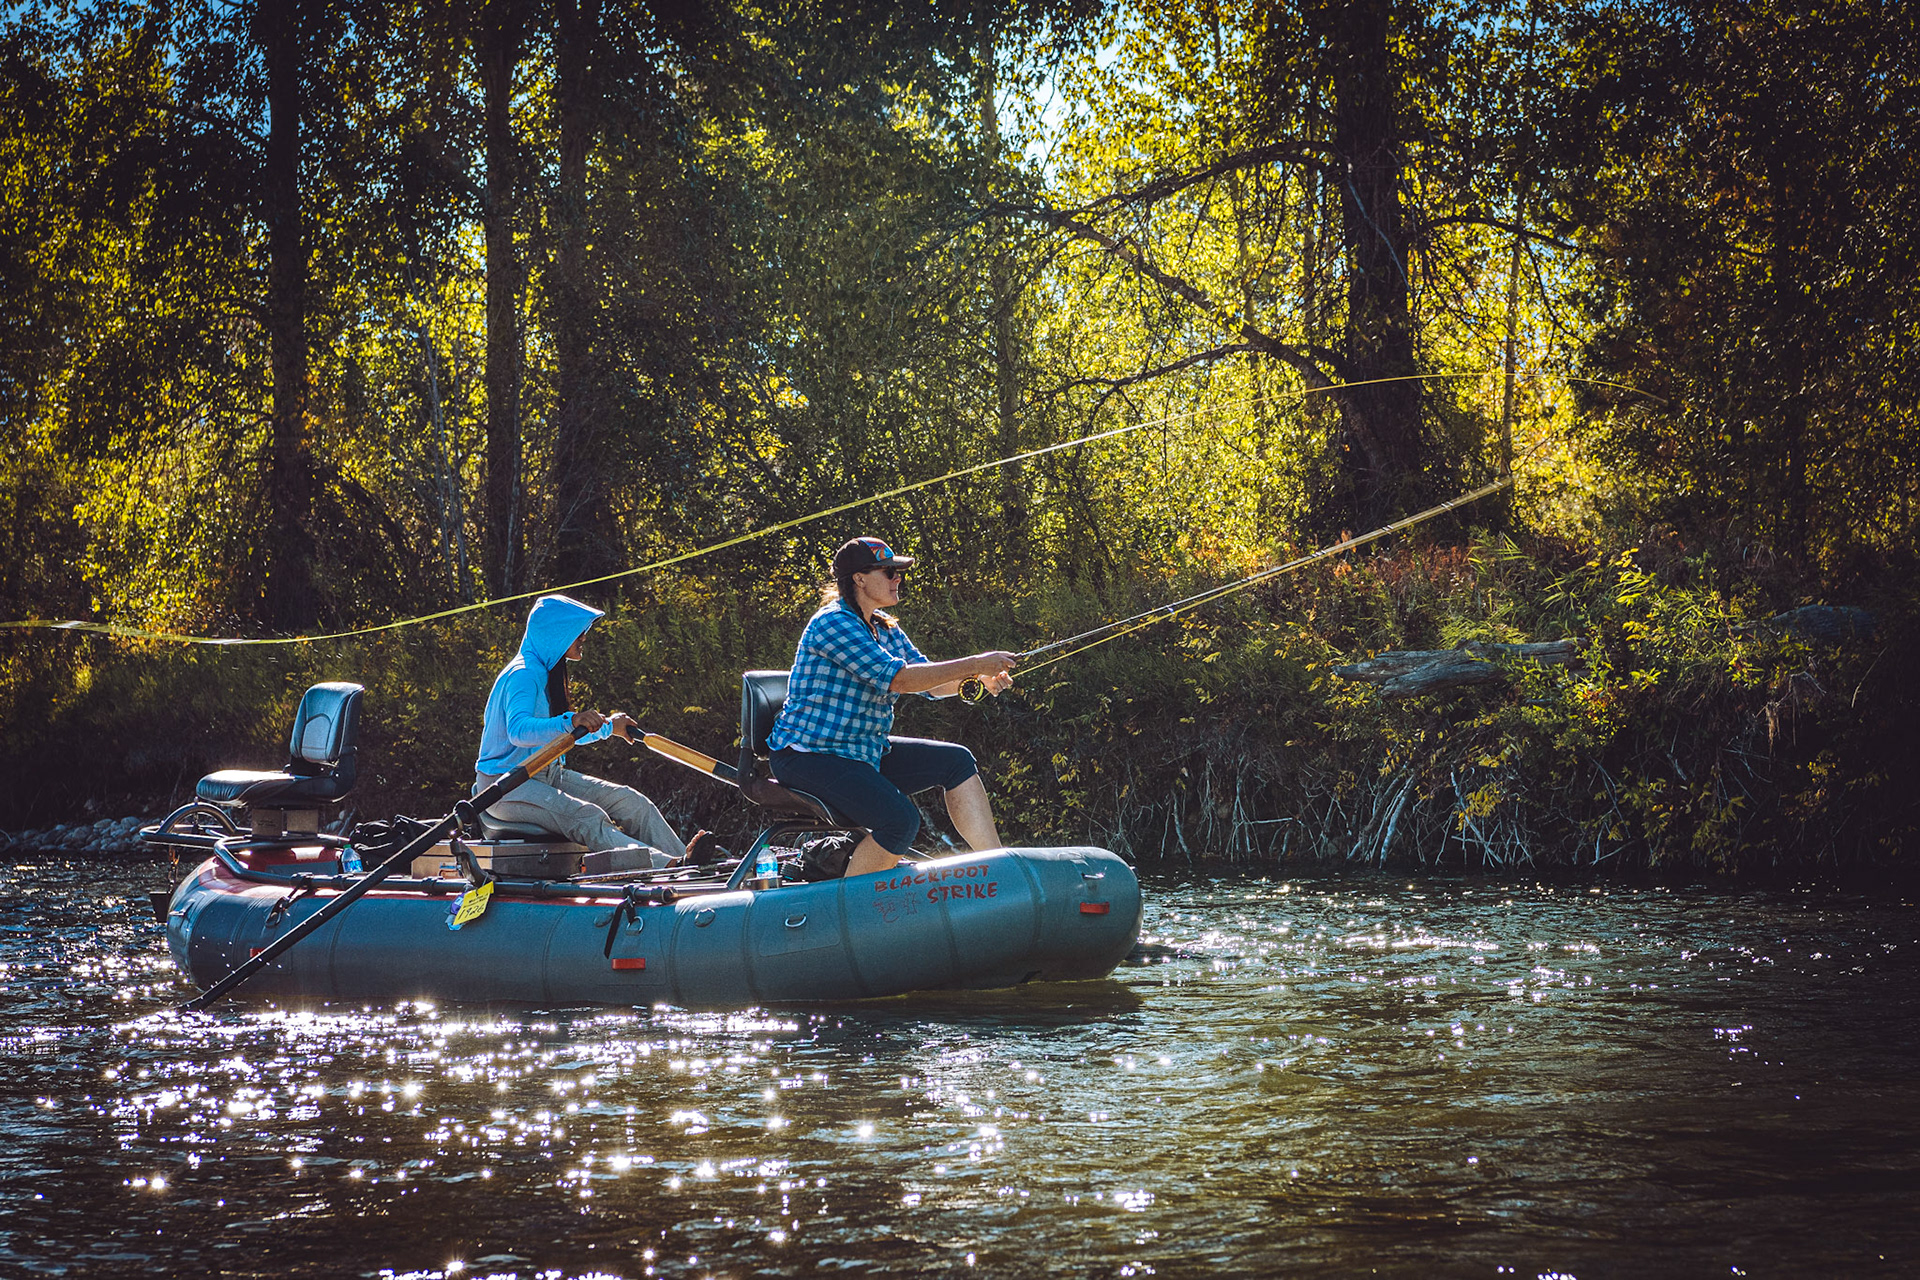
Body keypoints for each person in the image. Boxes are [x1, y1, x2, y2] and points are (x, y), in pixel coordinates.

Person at [767, 536, 1017, 878]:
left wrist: (977, 678)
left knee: (957, 762)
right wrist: (974, 662)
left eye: (898, 572)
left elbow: (928, 681)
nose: (897, 578)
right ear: (859, 578)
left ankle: (1000, 868)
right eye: (888, 572)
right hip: (807, 757)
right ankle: (848, 900)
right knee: (899, 820)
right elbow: (899, 679)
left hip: (861, 750)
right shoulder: (833, 623)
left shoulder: (884, 626)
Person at [475, 594, 717, 868]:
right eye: (577, 632)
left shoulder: (546, 671)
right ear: (556, 634)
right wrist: (571, 721)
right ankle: (669, 866)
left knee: (632, 803)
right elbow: (519, 731)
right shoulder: (524, 674)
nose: (584, 637)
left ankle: (691, 867)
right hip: (505, 786)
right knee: (587, 817)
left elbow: (561, 734)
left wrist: (610, 727)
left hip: (545, 774)